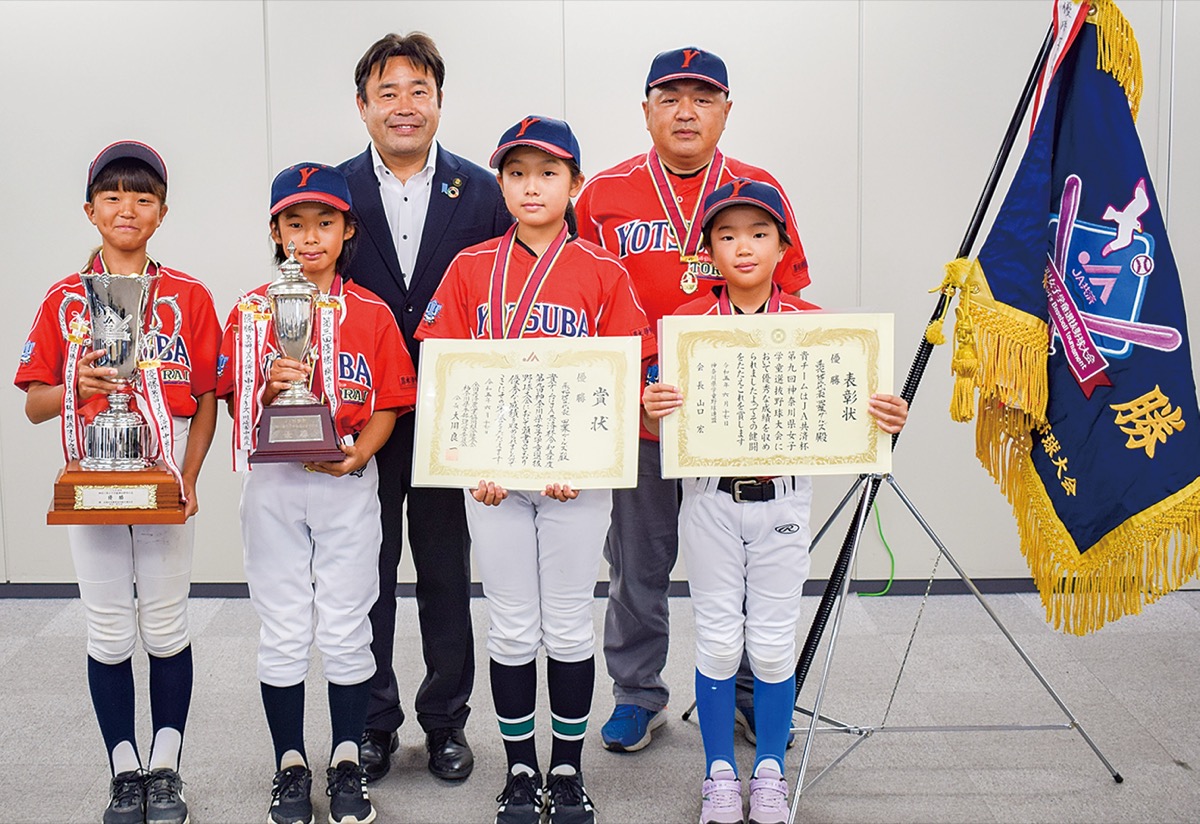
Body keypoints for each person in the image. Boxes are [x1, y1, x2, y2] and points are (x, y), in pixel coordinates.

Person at [643, 179, 908, 824]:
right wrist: (651, 407)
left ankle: (767, 773)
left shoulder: (818, 329)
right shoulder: (685, 332)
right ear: (707, 250)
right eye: (727, 235)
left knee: (768, 642)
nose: (743, 247)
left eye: (759, 234)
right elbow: (658, 426)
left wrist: (884, 415)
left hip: (784, 501)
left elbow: (852, 412)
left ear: (783, 245)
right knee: (714, 639)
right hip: (708, 498)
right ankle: (717, 774)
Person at [417, 116, 654, 824]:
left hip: (575, 480)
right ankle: (521, 768)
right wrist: (468, 462)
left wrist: (592, 456)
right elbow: (444, 372)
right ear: (501, 183)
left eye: (547, 173)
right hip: (492, 480)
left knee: (571, 627)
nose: (531, 186)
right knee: (514, 627)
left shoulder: (604, 272)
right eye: (516, 173)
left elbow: (624, 376)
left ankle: (568, 770)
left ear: (575, 184)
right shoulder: (469, 268)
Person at [574, 46, 811, 752]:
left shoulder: (756, 186)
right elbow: (579, 295)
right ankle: (637, 694)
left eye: (703, 97)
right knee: (638, 563)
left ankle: (747, 692)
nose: (686, 111)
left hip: (736, 417)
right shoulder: (604, 195)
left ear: (726, 111)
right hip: (645, 411)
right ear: (646, 109)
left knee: (742, 560)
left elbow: (792, 294)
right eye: (670, 96)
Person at [15, 141, 220, 824]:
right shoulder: (64, 300)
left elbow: (207, 397)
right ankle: (122, 767)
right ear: (89, 210)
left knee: (165, 625)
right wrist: (74, 381)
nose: (126, 209)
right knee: (107, 631)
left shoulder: (189, 297)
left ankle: (166, 767)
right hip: (94, 482)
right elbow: (34, 403)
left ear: (162, 212)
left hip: (162, 483)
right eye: (112, 197)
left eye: (142, 198)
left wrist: (188, 477)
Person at [216, 163, 417, 824]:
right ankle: (291, 764)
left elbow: (388, 400)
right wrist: (270, 391)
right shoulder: (250, 312)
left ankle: (349, 760)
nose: (308, 237)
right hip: (274, 484)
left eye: (323, 222)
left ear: (347, 229)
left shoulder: (372, 311)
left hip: (347, 481)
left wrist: (363, 450)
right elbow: (231, 405)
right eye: (294, 223)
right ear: (275, 231)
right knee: (282, 629)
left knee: (347, 627)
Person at [339, 31, 511, 784]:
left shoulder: (483, 191)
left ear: (439, 101)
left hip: (454, 415)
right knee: (365, 572)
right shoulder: (332, 192)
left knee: (446, 571)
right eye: (388, 93)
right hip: (364, 417)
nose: (404, 107)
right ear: (363, 105)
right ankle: (373, 723)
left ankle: (445, 722)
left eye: (419, 91)